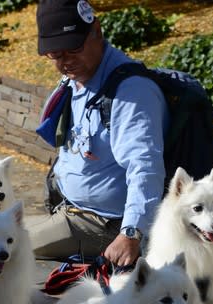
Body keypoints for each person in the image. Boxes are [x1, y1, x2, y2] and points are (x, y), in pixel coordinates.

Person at [30, 0, 169, 268]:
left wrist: (131, 233)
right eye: (55, 55)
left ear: (96, 31)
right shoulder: (79, 75)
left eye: (73, 49)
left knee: (4, 255)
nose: (64, 63)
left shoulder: (131, 93)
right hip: (73, 211)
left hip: (104, 225)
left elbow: (145, 166)